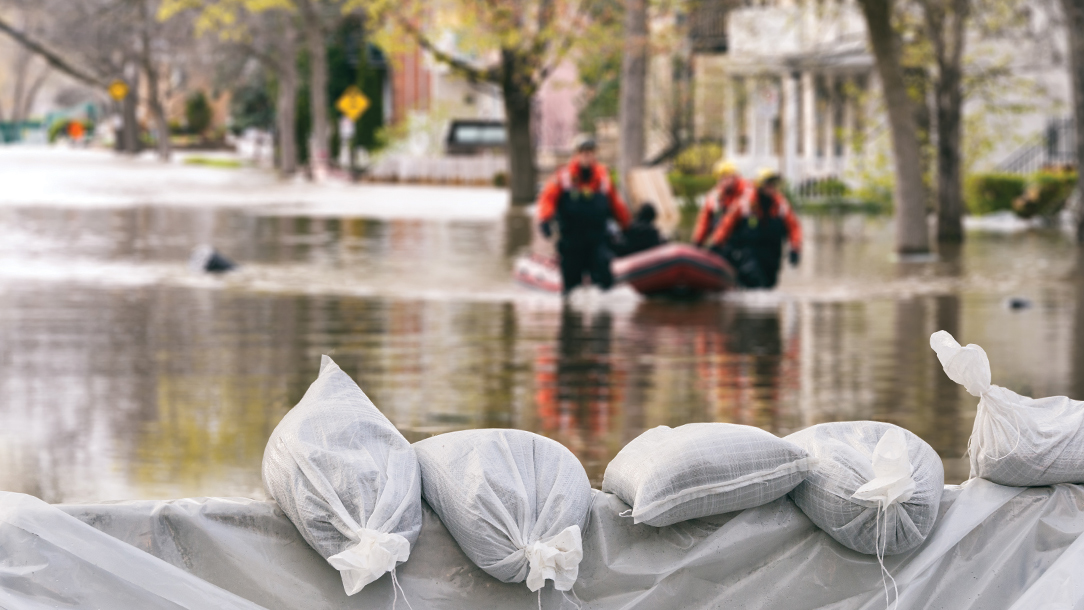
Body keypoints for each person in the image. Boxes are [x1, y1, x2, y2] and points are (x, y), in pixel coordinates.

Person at [537, 137, 631, 295]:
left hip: (597, 239)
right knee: (571, 288)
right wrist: (545, 219)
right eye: (584, 152)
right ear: (576, 155)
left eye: (590, 152)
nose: (587, 156)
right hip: (572, 240)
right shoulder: (563, 177)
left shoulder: (603, 177)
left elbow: (616, 204)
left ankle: (603, 315)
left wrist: (627, 226)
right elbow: (548, 198)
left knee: (604, 281)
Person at [706, 169, 802, 289]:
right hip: (749, 252)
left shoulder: (781, 205)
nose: (772, 188)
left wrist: (795, 248)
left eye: (773, 185)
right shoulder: (745, 203)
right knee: (753, 279)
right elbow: (727, 224)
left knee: (769, 285)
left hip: (772, 253)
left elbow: (794, 227)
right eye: (769, 184)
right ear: (760, 186)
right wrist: (717, 243)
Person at [691, 160, 756, 247]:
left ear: (735, 177)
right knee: (716, 215)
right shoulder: (715, 194)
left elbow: (732, 215)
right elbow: (704, 219)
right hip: (724, 239)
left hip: (744, 239)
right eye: (721, 177)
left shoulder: (747, 190)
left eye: (727, 177)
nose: (724, 180)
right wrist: (697, 242)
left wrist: (716, 241)